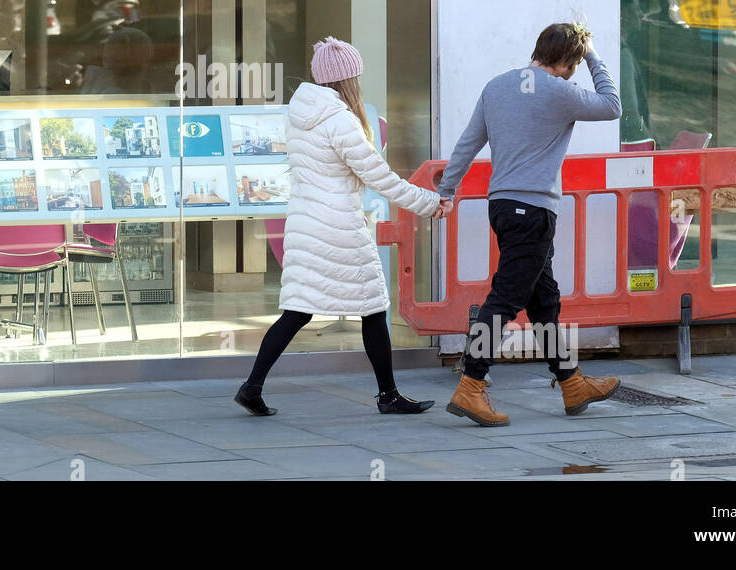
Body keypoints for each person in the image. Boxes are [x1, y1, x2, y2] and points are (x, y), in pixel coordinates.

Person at [234, 37, 449, 416]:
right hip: (337, 226)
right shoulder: (340, 120)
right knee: (374, 307)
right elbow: (380, 178)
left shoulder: (300, 112)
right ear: (348, 79)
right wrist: (430, 204)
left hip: (304, 221)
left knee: (297, 310)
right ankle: (388, 395)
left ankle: (252, 386)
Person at [436, 22, 623, 426]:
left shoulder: (497, 86)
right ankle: (471, 385)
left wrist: (447, 190)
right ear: (569, 62)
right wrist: (592, 54)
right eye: (576, 61)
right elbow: (612, 105)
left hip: (502, 207)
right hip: (533, 211)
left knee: (544, 302)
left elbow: (468, 142)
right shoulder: (561, 91)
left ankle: (572, 383)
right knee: (504, 301)